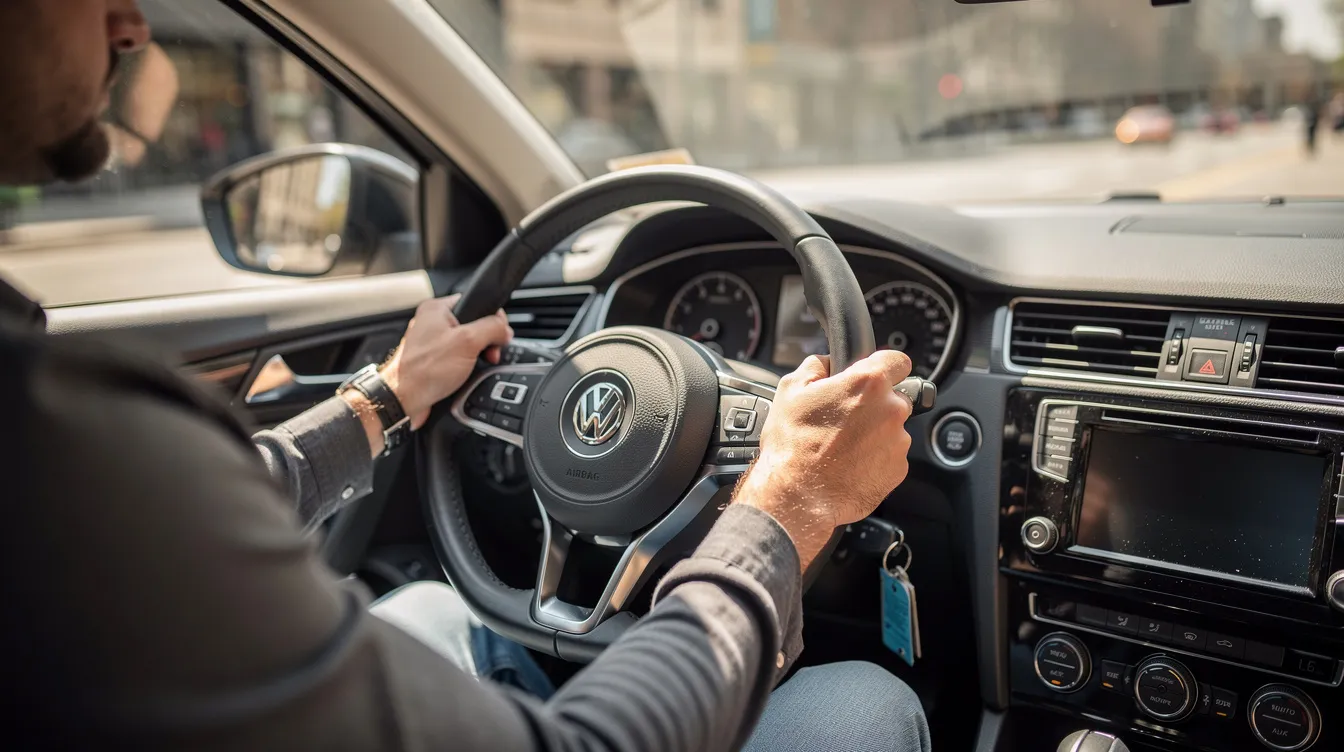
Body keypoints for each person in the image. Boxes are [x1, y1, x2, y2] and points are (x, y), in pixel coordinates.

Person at [0, 2, 931, 750]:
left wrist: (386, 396)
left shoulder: (68, 443)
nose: (132, 23)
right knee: (864, 704)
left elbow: (210, 505)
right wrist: (786, 508)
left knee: (436, 609)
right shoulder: (57, 440)